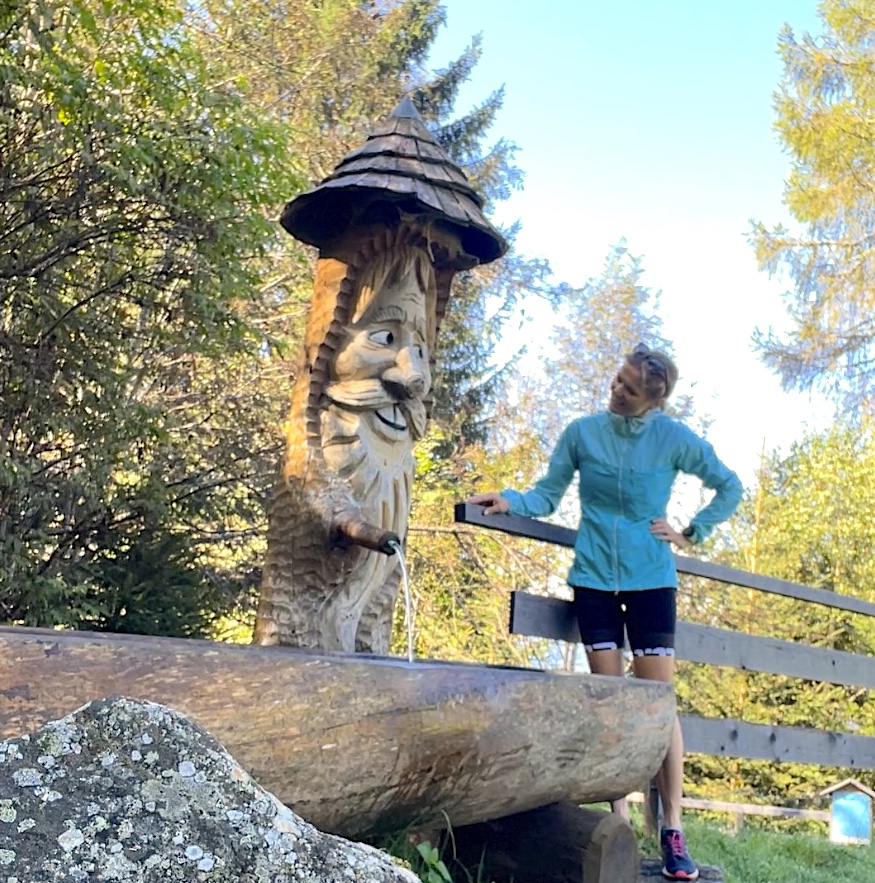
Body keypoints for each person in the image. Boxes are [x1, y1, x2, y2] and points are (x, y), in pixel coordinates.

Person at [468, 343, 742, 882]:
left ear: (653, 399)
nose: (617, 391)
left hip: (650, 582)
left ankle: (671, 830)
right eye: (617, 381)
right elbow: (547, 495)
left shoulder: (673, 439)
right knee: (611, 704)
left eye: (629, 389)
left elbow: (729, 486)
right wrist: (508, 498)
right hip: (592, 578)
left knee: (658, 705)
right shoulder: (583, 432)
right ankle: (617, 826)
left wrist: (691, 531)